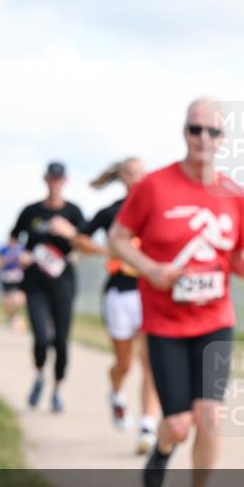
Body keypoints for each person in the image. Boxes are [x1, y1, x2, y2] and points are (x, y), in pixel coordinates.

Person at [110, 97, 244, 487]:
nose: (204, 139)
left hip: (215, 319)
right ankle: (162, 448)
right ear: (184, 133)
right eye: (195, 130)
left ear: (223, 139)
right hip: (164, 322)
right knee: (178, 423)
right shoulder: (154, 186)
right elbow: (118, 238)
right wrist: (150, 269)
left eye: (213, 132)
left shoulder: (233, 194)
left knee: (211, 415)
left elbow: (237, 259)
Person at [78, 157, 162, 453]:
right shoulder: (111, 212)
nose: (137, 179)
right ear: (121, 179)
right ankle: (115, 391)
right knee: (124, 363)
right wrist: (110, 248)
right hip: (119, 293)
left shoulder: (157, 210)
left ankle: (148, 428)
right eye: (130, 174)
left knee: (151, 362)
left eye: (142, 173)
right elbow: (80, 239)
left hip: (149, 292)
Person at [11, 161, 95, 413]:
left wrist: (70, 233)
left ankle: (57, 390)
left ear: (65, 181)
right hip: (36, 283)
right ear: (45, 180)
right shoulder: (30, 211)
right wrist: (20, 255)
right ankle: (39, 375)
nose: (55, 183)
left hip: (63, 284)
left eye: (59, 179)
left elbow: (88, 245)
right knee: (40, 335)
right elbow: (14, 238)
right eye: (52, 178)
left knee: (61, 340)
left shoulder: (74, 212)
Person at [0, 236, 27, 332]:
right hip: (6, 277)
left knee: (19, 299)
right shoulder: (3, 249)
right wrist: (5, 260)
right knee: (7, 301)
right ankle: (10, 319)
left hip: (18, 277)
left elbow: (26, 261)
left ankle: (17, 318)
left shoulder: (21, 249)